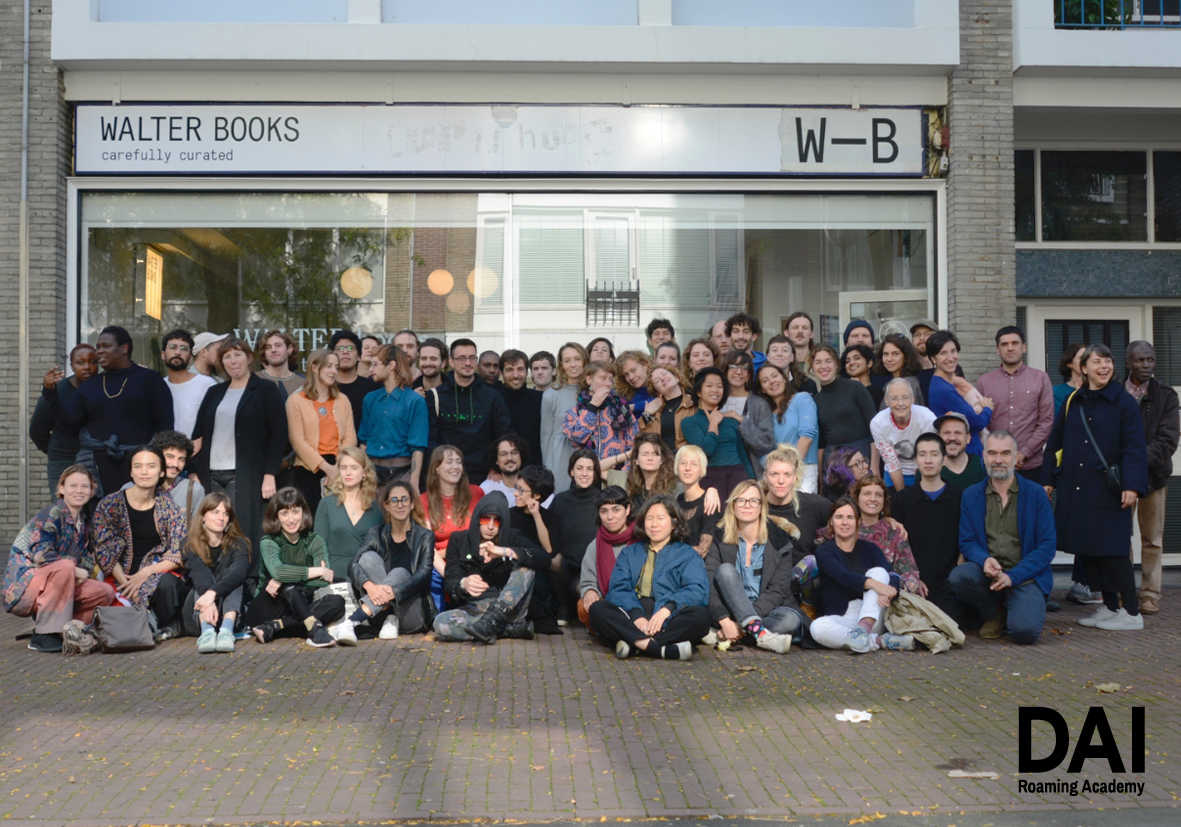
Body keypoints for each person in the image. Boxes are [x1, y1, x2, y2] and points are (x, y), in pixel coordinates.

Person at [1045, 344, 1148, 631]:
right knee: (1093, 549)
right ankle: (1110, 606)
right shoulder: (1074, 400)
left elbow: (1135, 448)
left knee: (1114, 550)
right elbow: (1056, 443)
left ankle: (1130, 611)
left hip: (1111, 490)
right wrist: (1048, 479)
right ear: (1084, 368)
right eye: (1098, 362)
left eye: (1108, 362)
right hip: (1080, 488)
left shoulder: (1123, 402)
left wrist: (1132, 485)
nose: (1104, 367)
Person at [950, 431, 1056, 644]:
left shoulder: (1036, 494)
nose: (998, 460)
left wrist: (1013, 576)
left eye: (1005, 453)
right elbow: (967, 541)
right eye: (992, 453)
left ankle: (1017, 606)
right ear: (984, 457)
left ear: (1016, 458)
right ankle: (994, 612)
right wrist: (984, 560)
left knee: (1024, 633)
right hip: (987, 573)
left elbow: (1047, 546)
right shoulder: (971, 495)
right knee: (959, 577)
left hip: (1025, 576)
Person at [5, 465, 116, 653]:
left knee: (104, 591)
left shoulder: (83, 523)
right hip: (23, 589)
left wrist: (82, 571)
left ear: (91, 490)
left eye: (84, 486)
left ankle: (70, 631)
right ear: (61, 489)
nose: (79, 491)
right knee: (65, 566)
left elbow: (88, 559)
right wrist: (75, 570)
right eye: (73, 486)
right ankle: (43, 636)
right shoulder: (52, 514)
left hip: (58, 581)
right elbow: (42, 554)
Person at [192, 338, 287, 554]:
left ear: (249, 358)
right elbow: (197, 435)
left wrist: (270, 474)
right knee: (214, 530)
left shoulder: (266, 390)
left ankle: (245, 581)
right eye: (227, 356)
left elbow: (279, 436)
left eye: (238, 354)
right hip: (212, 473)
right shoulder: (214, 393)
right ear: (221, 362)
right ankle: (218, 579)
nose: (233, 361)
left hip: (244, 474)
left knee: (241, 530)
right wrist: (194, 470)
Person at [587, 496, 711, 660]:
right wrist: (637, 615)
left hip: (670, 614)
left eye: (660, 518)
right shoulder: (630, 552)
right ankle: (659, 648)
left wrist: (667, 609)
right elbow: (618, 588)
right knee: (597, 609)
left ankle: (633, 643)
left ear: (674, 523)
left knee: (701, 617)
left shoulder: (687, 554)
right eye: (649, 518)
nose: (654, 524)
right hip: (634, 610)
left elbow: (696, 589)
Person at [91, 445, 188, 637]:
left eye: (151, 466)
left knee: (168, 585)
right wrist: (128, 585)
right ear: (131, 472)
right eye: (138, 466)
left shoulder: (169, 508)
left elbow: (179, 552)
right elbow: (104, 551)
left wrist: (145, 573)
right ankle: (144, 624)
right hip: (119, 577)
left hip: (155, 574)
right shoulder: (109, 505)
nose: (144, 471)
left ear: (161, 472)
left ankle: (157, 623)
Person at [65, 325, 174, 494]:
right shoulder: (90, 385)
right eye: (98, 347)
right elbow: (70, 424)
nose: (99, 351)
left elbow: (165, 427)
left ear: (124, 348)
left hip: (139, 465)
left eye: (105, 346)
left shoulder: (150, 380)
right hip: (96, 468)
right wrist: (52, 393)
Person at [704, 480, 800, 653]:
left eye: (753, 501)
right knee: (725, 571)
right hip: (730, 609)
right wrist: (725, 620)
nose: (747, 505)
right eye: (741, 500)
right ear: (733, 505)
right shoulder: (720, 537)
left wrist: (745, 620)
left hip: (766, 611)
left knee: (790, 620)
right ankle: (761, 636)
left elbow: (778, 590)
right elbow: (709, 582)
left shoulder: (780, 541)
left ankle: (736, 632)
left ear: (761, 506)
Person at [435, 492, 543, 643]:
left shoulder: (512, 537)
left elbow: (543, 558)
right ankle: (508, 629)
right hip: (475, 609)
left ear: (503, 522)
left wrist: (504, 551)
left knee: (526, 565)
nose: (491, 526)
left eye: (497, 521)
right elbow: (450, 580)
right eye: (486, 519)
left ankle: (493, 623)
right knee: (440, 624)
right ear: (478, 519)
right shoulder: (459, 540)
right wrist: (463, 583)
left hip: (508, 606)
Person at [245, 487, 343, 648]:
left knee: (337, 602)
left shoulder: (314, 540)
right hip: (269, 605)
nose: (291, 519)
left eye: (295, 512)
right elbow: (279, 572)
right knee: (288, 587)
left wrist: (283, 577)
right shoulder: (269, 542)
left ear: (303, 513)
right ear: (276, 516)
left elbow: (323, 582)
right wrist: (316, 571)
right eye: (284, 513)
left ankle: (277, 626)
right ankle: (314, 630)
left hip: (300, 607)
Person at [810, 498, 912, 653]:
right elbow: (842, 576)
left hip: (873, 612)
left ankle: (864, 628)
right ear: (831, 522)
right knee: (817, 628)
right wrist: (876, 585)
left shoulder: (870, 549)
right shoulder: (824, 551)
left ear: (858, 522)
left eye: (850, 517)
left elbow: (892, 574)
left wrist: (889, 589)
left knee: (878, 572)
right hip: (843, 617)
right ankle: (878, 641)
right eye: (839, 517)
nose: (845, 522)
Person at [1124, 341, 1179, 616]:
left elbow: (1168, 440)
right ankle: (1123, 591)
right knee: (1120, 537)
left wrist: (1134, 460)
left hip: (1153, 477)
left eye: (1150, 360)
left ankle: (1149, 594)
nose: (1146, 365)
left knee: (1152, 539)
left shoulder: (1166, 396)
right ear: (1128, 362)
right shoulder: (1115, 393)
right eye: (1140, 360)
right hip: (1120, 480)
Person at [346, 479, 437, 638]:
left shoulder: (425, 536)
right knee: (367, 558)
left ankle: (352, 621)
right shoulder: (376, 534)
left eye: (404, 499)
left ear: (412, 504)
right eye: (394, 500)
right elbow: (353, 565)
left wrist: (394, 592)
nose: (400, 504)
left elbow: (424, 575)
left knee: (400, 573)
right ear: (386, 506)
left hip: (412, 613)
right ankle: (388, 616)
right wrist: (370, 587)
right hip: (379, 615)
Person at [892, 434, 963, 619]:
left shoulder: (959, 497)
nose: (928, 460)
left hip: (949, 581)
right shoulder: (902, 499)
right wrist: (911, 579)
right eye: (922, 454)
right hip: (914, 581)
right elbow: (897, 547)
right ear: (916, 460)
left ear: (944, 459)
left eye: (934, 454)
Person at [976, 326, 1055, 483]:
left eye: (1015, 343)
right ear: (998, 349)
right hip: (995, 466)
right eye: (1004, 344)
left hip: (1031, 465)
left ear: (1024, 347)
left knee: (1029, 507)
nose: (1010, 348)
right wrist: (996, 454)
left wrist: (1023, 453)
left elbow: (1046, 422)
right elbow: (980, 425)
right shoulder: (984, 382)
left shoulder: (1040, 378)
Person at [427, 338, 511, 483]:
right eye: (461, 358)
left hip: (484, 477)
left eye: (472, 358)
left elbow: (503, 434)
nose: (467, 363)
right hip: (446, 474)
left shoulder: (492, 396)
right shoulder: (435, 396)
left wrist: (496, 468)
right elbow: (431, 440)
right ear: (451, 362)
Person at [285, 349, 356, 514]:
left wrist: (338, 466)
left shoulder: (342, 399)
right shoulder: (296, 401)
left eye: (336, 367)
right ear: (315, 367)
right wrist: (326, 468)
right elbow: (297, 440)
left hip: (340, 466)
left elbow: (350, 436)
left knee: (340, 519)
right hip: (308, 469)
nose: (334, 371)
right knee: (310, 521)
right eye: (329, 366)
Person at [181, 492, 251, 653]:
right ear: (203, 516)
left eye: (225, 513)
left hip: (232, 612)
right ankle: (207, 633)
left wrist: (213, 594)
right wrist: (209, 598)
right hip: (198, 611)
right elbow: (199, 575)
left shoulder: (239, 543)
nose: (221, 517)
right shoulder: (189, 544)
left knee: (234, 581)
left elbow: (239, 572)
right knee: (202, 585)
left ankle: (227, 631)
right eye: (215, 512)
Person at [313, 445, 383, 599]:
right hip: (334, 577)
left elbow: (379, 551)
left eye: (353, 467)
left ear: (364, 473)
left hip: (365, 579)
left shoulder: (376, 509)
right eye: (343, 468)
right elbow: (318, 547)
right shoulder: (327, 504)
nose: (348, 472)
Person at [421, 445, 485, 612]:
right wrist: (450, 575)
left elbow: (485, 533)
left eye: (458, 462)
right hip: (441, 566)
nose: (455, 467)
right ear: (436, 468)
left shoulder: (476, 493)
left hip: (472, 561)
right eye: (449, 462)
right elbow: (428, 549)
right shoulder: (423, 501)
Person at [31, 344, 98, 496]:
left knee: (95, 507)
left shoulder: (104, 388)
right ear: (72, 365)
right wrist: (55, 450)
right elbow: (37, 430)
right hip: (62, 459)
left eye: (93, 362)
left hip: (95, 459)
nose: (87, 367)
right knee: (64, 507)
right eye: (80, 362)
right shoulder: (58, 390)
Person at [359, 344, 428, 489]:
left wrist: (414, 482)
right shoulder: (370, 399)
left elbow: (418, 448)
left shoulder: (415, 401)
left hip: (402, 473)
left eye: (375, 364)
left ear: (391, 365)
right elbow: (364, 442)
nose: (371, 370)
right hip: (372, 473)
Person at [680, 367, 753, 500]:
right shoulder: (689, 422)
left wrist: (752, 481)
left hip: (738, 474)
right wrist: (713, 424)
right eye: (709, 386)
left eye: (719, 386)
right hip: (710, 477)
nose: (715, 390)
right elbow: (705, 451)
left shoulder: (731, 420)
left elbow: (743, 453)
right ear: (699, 392)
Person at [547, 449, 604, 619]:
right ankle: (564, 607)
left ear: (595, 473)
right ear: (571, 471)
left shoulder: (603, 500)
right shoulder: (560, 500)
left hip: (595, 567)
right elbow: (552, 532)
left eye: (589, 469)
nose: (584, 473)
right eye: (579, 468)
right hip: (567, 567)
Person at [844, 475, 922, 594]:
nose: (873, 499)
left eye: (878, 495)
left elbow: (909, 573)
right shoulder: (845, 526)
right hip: (849, 592)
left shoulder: (894, 531)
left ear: (884, 501)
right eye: (867, 493)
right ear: (857, 498)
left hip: (887, 595)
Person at [562, 360, 638, 478]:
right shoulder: (574, 412)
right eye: (603, 378)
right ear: (589, 380)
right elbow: (578, 437)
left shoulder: (622, 409)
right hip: (586, 475)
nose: (608, 383)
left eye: (610, 379)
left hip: (616, 474)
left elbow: (634, 443)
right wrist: (592, 406)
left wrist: (623, 472)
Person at [749, 363, 819, 492]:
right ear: (762, 389)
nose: (771, 381)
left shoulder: (802, 399)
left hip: (802, 468)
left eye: (775, 376)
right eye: (765, 380)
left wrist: (790, 470)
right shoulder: (765, 414)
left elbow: (807, 437)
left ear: (784, 378)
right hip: (775, 474)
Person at [760, 446, 834, 564]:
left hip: (803, 579)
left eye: (787, 474)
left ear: (795, 477)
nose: (781, 480)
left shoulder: (813, 504)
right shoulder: (753, 507)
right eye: (774, 474)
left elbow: (847, 516)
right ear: (765, 476)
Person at [925, 330, 992, 457]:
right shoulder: (943, 389)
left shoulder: (948, 384)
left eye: (953, 351)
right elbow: (976, 423)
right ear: (933, 359)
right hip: (964, 456)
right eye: (943, 353)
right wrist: (988, 408)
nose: (950, 358)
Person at [811, 345, 877, 476]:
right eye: (818, 362)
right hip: (832, 461)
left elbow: (875, 429)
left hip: (860, 454)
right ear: (812, 369)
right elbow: (821, 444)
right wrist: (820, 477)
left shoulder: (855, 388)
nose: (823, 366)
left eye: (828, 361)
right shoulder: (815, 400)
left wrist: (875, 466)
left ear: (836, 365)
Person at [577, 486, 634, 625]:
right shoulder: (595, 545)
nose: (610, 517)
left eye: (616, 509)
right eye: (604, 511)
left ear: (627, 510)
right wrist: (590, 591)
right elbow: (587, 580)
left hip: (637, 602)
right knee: (583, 607)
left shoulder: (640, 539)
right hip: (607, 602)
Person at [869, 378, 936, 491]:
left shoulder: (927, 418)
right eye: (894, 398)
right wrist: (902, 494)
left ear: (913, 399)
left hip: (923, 470)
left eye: (905, 397)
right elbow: (892, 463)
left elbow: (929, 456)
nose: (900, 403)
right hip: (894, 472)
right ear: (886, 401)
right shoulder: (878, 423)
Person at [541, 343, 588, 494]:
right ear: (561, 365)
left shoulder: (593, 391)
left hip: (589, 456)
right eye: (567, 361)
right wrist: (547, 468)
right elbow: (546, 435)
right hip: (560, 457)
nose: (573, 364)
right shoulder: (551, 394)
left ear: (584, 361)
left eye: (577, 359)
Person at [160, 329, 217, 438]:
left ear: (190, 357)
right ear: (163, 355)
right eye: (173, 347)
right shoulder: (159, 386)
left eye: (184, 349)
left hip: (198, 451)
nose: (178, 352)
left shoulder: (206, 384)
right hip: (166, 451)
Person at [143, 430, 205, 524]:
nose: (175, 464)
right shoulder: (133, 489)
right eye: (170, 457)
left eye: (181, 459)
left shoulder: (194, 490)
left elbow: (199, 530)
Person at [673, 444, 721, 558]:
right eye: (683, 463)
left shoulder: (709, 502)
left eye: (694, 464)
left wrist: (672, 553)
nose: (687, 468)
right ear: (677, 467)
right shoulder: (677, 500)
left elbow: (702, 550)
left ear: (701, 470)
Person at [497, 349, 543, 466]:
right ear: (501, 373)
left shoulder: (540, 399)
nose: (516, 375)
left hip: (534, 469)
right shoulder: (493, 399)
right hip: (502, 471)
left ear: (527, 372)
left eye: (520, 369)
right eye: (509, 370)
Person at [329, 330, 379, 436]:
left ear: (359, 356)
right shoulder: (324, 387)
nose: (345, 352)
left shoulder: (373, 388)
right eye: (340, 348)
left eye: (350, 348)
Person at [639, 366, 695, 452]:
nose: (662, 378)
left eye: (664, 374)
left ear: (676, 378)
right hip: (663, 460)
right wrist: (647, 414)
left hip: (687, 458)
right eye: (657, 381)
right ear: (657, 391)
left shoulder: (693, 401)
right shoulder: (655, 410)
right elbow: (645, 440)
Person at [625, 433, 676, 512]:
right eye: (645, 454)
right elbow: (600, 470)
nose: (650, 458)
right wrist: (626, 455)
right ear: (636, 460)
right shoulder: (632, 486)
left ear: (661, 460)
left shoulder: (674, 486)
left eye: (655, 454)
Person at [871, 333, 925, 407]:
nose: (889, 359)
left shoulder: (908, 384)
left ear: (906, 357)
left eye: (895, 354)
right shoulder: (891, 382)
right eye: (886, 354)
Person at [936, 412, 986, 492]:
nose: (952, 438)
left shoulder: (982, 466)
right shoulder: (930, 470)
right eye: (946, 433)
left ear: (968, 438)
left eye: (958, 433)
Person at [254, 329, 305, 398]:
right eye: (268, 347)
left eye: (278, 345)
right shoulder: (253, 380)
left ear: (289, 349)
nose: (273, 350)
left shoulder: (303, 383)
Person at [480, 434, 529, 505]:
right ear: (496, 460)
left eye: (514, 453)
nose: (509, 458)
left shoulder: (532, 485)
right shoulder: (487, 488)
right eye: (503, 454)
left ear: (521, 456)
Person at [616, 350, 654, 418]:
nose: (631, 377)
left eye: (633, 370)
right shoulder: (625, 396)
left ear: (645, 365)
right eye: (626, 374)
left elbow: (660, 401)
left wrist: (633, 407)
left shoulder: (659, 386)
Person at [842, 344, 882, 408]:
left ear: (869, 363)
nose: (851, 363)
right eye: (847, 361)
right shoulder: (841, 392)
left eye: (857, 358)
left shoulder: (878, 393)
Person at [1053, 343, 1085, 417]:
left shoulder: (1096, 390)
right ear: (1069, 363)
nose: (1086, 361)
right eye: (1081, 358)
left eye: (1088, 358)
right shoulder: (1056, 393)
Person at [783, 311, 816, 384]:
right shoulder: (780, 363)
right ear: (786, 333)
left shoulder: (820, 363)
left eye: (805, 328)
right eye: (795, 327)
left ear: (811, 334)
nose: (800, 331)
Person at [719, 349, 753, 417]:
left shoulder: (757, 401)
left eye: (744, 368)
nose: (739, 372)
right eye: (733, 367)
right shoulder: (717, 398)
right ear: (725, 371)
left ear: (749, 375)